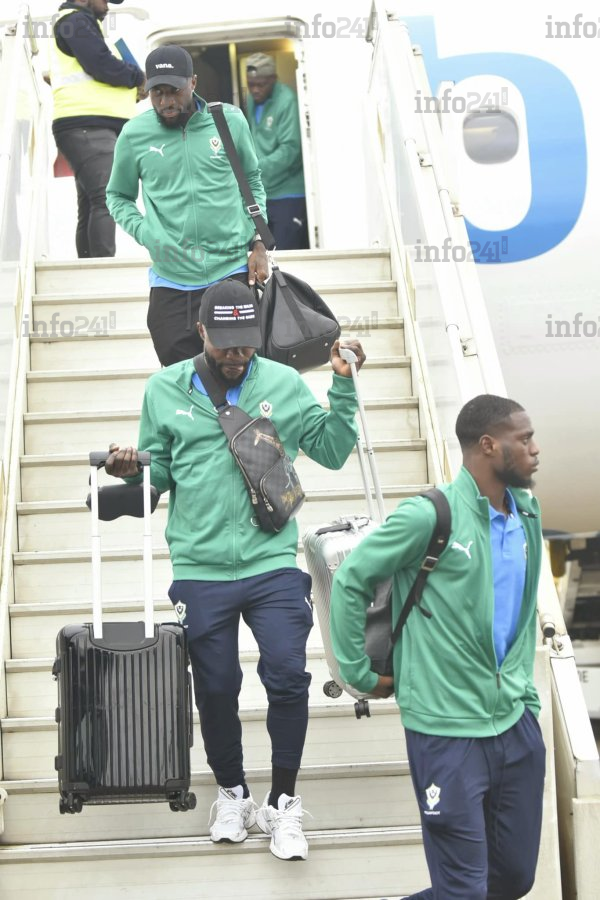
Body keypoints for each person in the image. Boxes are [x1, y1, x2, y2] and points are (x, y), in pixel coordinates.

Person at [105, 278, 366, 861]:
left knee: (287, 676)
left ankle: (283, 803)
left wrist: (343, 387)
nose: (236, 353)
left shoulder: (283, 382)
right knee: (217, 686)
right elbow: (159, 473)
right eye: (224, 343)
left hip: (271, 560)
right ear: (201, 331)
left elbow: (330, 449)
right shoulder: (164, 389)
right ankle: (233, 793)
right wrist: (131, 470)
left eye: (246, 342)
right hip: (199, 568)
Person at [330, 394, 546, 899]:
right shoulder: (430, 515)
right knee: (463, 890)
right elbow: (351, 580)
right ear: (488, 445)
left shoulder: (527, 513)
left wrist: (527, 699)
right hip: (446, 733)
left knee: (513, 880)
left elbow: (521, 615)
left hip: (515, 726)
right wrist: (357, 674)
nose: (535, 449)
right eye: (525, 439)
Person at [106, 45, 269, 367]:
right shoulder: (134, 134)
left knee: (239, 371)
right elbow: (117, 196)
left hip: (230, 271)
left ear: (193, 83)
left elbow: (251, 180)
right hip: (171, 279)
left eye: (174, 91)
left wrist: (259, 240)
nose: (166, 102)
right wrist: (146, 233)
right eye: (157, 93)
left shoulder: (229, 121)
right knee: (181, 378)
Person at [51, 0, 146, 258]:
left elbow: (98, 70)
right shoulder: (75, 21)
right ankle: (101, 270)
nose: (107, 6)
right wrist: (137, 77)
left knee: (91, 202)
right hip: (87, 125)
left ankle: (89, 268)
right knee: (105, 197)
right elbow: (101, 65)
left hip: (86, 126)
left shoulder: (79, 22)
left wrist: (131, 90)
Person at [245, 53, 309, 251]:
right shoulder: (251, 99)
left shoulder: (287, 101)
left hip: (288, 193)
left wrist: (253, 168)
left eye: (261, 84)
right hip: (263, 193)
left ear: (274, 79)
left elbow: (291, 150)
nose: (255, 90)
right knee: (263, 254)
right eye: (251, 84)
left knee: (286, 254)